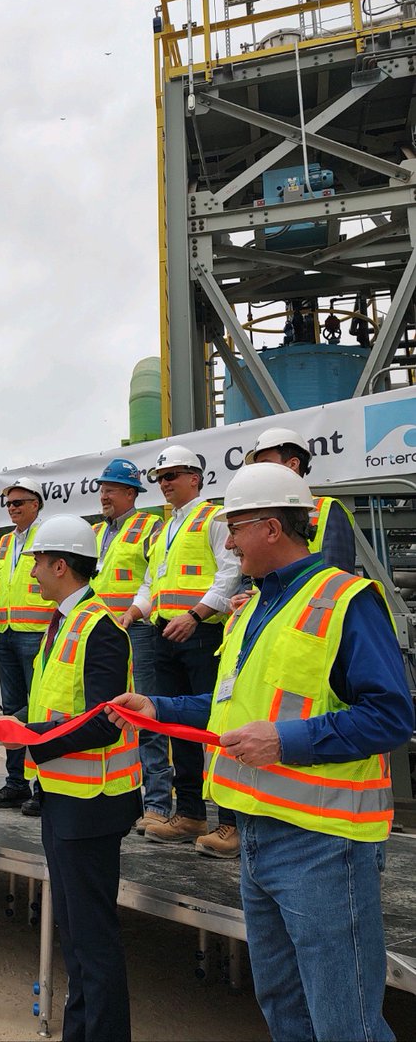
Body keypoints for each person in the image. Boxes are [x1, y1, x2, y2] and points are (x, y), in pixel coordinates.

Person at [107, 463, 414, 1042]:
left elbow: (392, 716)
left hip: (324, 845)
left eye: (235, 526)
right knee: (283, 1007)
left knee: (345, 1022)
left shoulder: (345, 600)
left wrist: (286, 741)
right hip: (254, 834)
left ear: (272, 528)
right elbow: (230, 707)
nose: (226, 540)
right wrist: (161, 708)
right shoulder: (250, 607)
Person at [0, 516, 141, 1042]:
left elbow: (107, 721)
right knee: (75, 934)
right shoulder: (63, 623)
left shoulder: (100, 628)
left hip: (94, 803)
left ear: (61, 565)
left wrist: (30, 737)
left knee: (92, 937)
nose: (31, 570)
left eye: (37, 561)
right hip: (63, 796)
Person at [120, 445, 242, 856]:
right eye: (160, 477)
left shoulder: (215, 519)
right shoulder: (162, 528)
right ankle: (190, 812)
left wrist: (195, 613)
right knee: (177, 726)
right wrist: (136, 609)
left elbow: (232, 573)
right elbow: (151, 580)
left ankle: (230, 820)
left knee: (215, 725)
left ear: (196, 477)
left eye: (172, 475)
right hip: (164, 634)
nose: (165, 483)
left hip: (203, 634)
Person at [90, 458, 169, 833]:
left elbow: (155, 578)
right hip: (100, 633)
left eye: (111, 488)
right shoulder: (93, 533)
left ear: (130, 492)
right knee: (105, 712)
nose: (103, 495)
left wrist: (135, 614)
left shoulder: (150, 527)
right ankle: (118, 796)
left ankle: (156, 802)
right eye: (102, 488)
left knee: (145, 712)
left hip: (137, 630)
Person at [0, 476, 55, 815]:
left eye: (19, 502)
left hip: (38, 634)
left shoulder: (49, 536)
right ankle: (16, 783)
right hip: (8, 634)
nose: (12, 508)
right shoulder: (2, 544)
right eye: (9, 503)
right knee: (13, 712)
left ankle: (44, 787)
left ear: (36, 504)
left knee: (40, 711)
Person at [246, 427, 356, 571]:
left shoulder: (328, 509)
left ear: (293, 464)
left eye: (266, 464)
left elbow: (337, 576)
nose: (258, 473)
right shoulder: (258, 511)